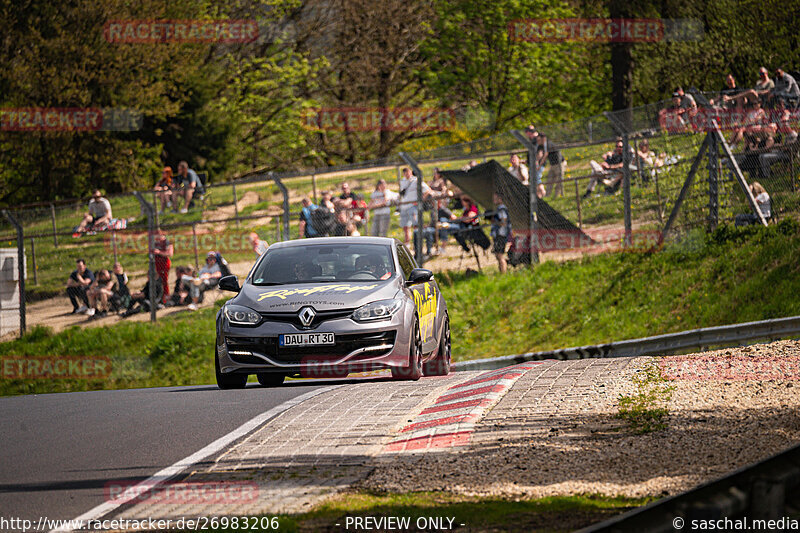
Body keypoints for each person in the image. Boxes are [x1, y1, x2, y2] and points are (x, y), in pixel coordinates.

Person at [398, 167, 432, 247]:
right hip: (403, 206)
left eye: (407, 172)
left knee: (416, 225)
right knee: (405, 226)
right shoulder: (402, 181)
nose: (406, 174)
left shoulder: (416, 180)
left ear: (410, 172)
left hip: (412, 206)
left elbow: (427, 190)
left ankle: (418, 243)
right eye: (404, 172)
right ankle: (407, 244)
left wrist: (420, 200)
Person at [489, 193, 511, 274]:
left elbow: (503, 221)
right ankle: (502, 272)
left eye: (495, 198)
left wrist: (494, 221)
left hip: (500, 235)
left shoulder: (501, 209)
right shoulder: (499, 209)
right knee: (498, 255)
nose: (494, 200)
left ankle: (503, 273)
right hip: (499, 234)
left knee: (500, 255)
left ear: (500, 199)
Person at [152, 231, 173, 303]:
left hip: (164, 263)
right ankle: (160, 297)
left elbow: (170, 253)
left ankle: (166, 297)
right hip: (157, 263)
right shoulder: (155, 243)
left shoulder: (167, 242)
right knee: (157, 280)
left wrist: (159, 252)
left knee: (164, 280)